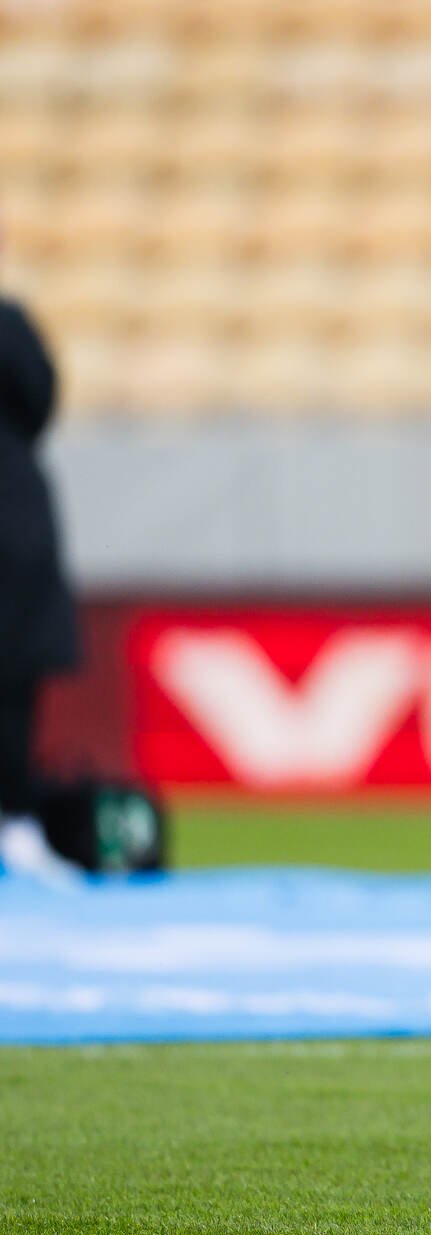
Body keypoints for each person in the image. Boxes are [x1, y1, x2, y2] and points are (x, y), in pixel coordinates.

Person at [0, 231, 80, 883]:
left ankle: (15, 820)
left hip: (12, 540)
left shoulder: (9, 331)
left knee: (13, 687)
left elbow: (40, 394)